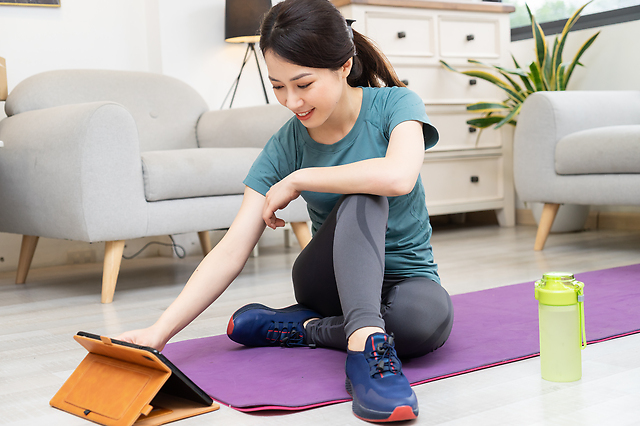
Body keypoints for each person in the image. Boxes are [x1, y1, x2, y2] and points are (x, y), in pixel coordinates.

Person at [118, 0, 453, 422]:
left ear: (344, 66)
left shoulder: (396, 105)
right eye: (278, 86)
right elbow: (231, 249)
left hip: (407, 275)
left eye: (303, 83)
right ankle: (364, 349)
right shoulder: (285, 144)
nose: (292, 101)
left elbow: (398, 176)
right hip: (326, 281)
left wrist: (300, 179)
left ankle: (306, 330)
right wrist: (158, 332)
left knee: (422, 326)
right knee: (362, 196)